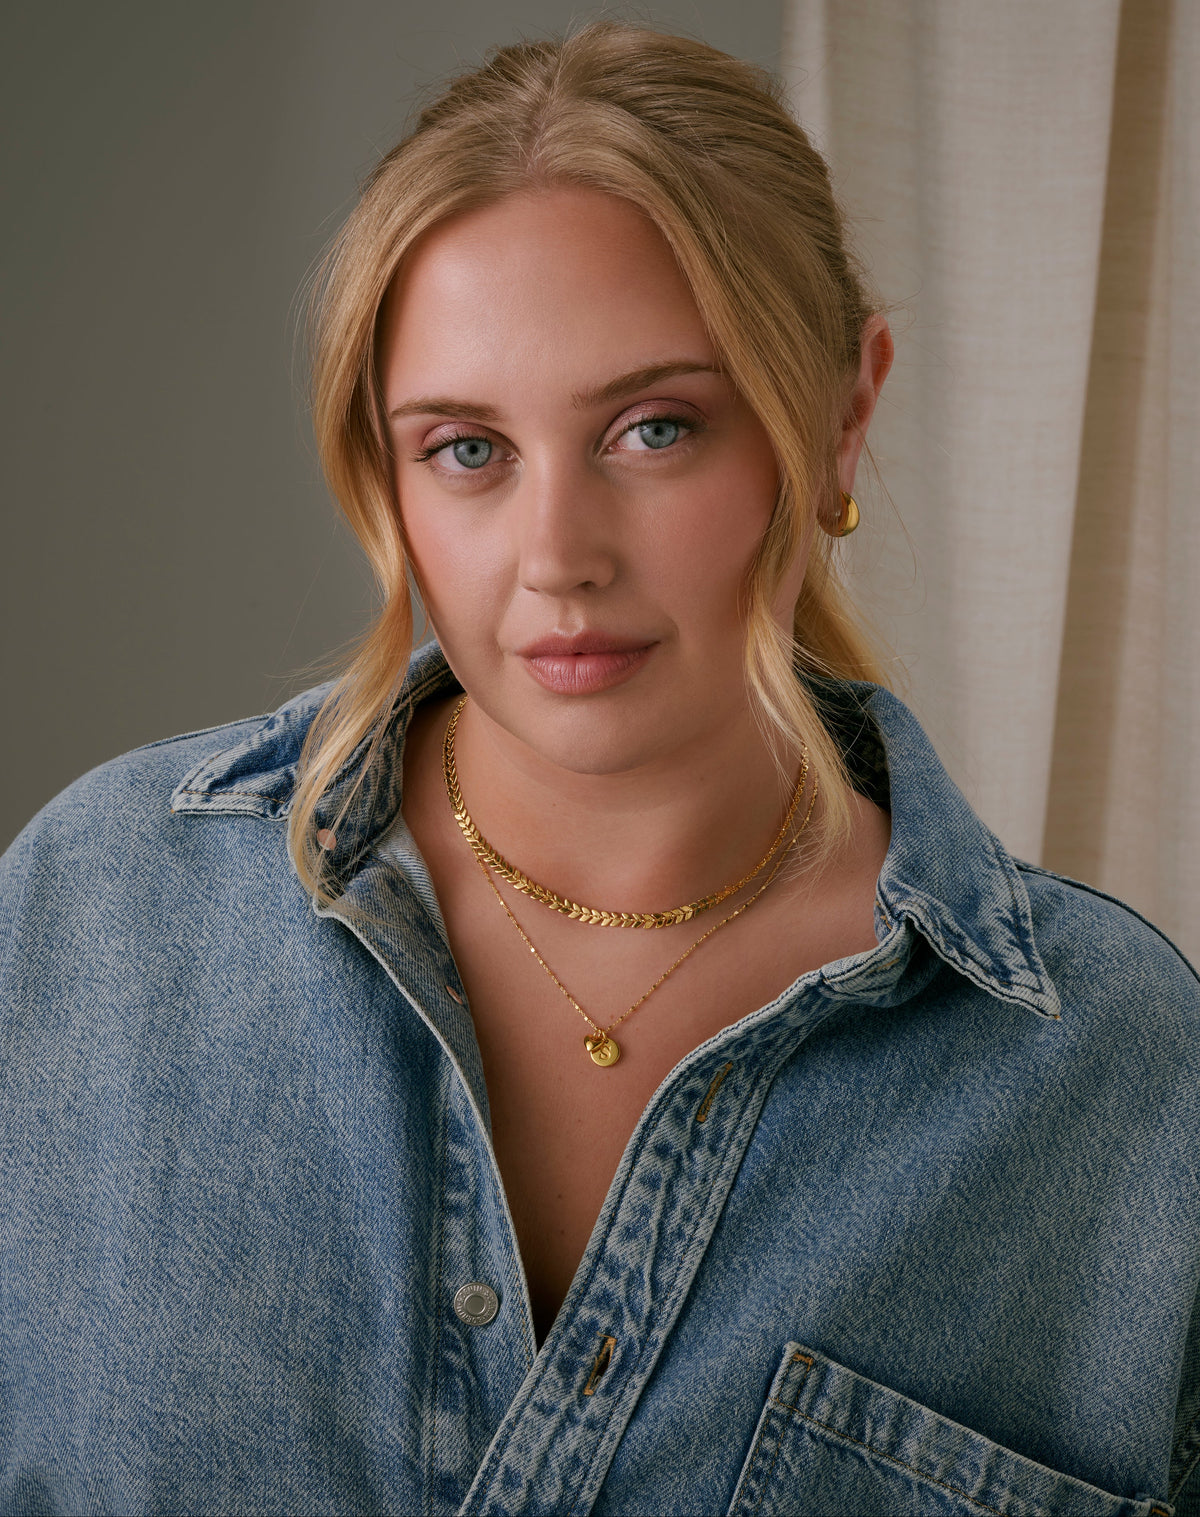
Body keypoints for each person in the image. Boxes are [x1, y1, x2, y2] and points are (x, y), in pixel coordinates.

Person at [1, 20, 1197, 1517]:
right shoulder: (93, 916)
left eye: (653, 428)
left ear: (843, 414)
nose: (557, 558)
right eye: (468, 450)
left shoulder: (1124, 1081)